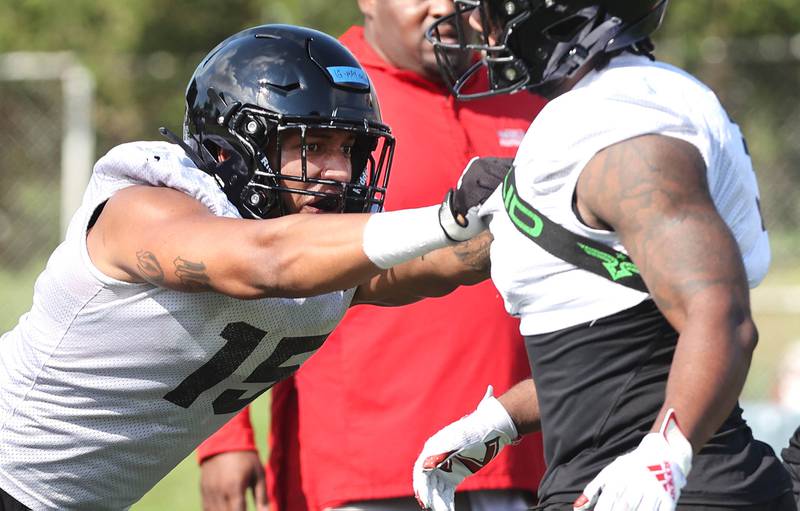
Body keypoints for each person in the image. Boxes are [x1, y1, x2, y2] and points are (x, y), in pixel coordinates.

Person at [0, 23, 502, 511]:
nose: (339, 171)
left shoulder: (312, 245)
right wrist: (449, 215)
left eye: (348, 148)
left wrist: (527, 216)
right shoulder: (146, 206)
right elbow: (264, 260)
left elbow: (425, 265)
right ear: (233, 147)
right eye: (312, 147)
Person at [412, 1, 797, 510]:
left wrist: (663, 459)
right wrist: (498, 421)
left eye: (492, 6)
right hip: (632, 479)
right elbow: (628, 361)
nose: (480, 24)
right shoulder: (629, 104)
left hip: (660, 489)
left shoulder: (620, 124)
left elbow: (720, 317)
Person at [197, 2, 548, 511]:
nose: (443, 6)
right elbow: (235, 261)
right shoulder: (305, 91)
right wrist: (225, 439)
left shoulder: (523, 95)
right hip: (358, 463)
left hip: (511, 451)